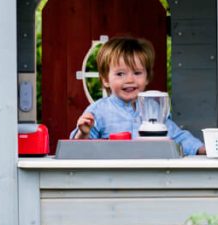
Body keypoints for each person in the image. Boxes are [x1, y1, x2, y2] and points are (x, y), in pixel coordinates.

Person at [72, 37, 206, 155]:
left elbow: (177, 136)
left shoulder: (154, 108)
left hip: (149, 175)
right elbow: (77, 150)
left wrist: (200, 148)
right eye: (120, 74)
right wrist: (83, 133)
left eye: (137, 73)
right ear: (106, 79)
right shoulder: (98, 112)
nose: (130, 79)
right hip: (112, 178)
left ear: (147, 77)